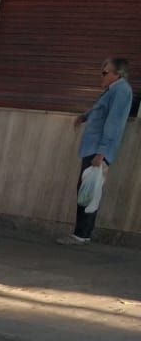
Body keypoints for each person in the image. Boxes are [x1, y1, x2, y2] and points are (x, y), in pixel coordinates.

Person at [61, 56, 132, 245]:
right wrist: (84, 117)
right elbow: (99, 110)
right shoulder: (111, 90)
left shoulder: (121, 91)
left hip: (98, 151)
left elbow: (114, 123)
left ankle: (80, 235)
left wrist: (101, 152)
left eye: (105, 72)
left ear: (117, 74)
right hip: (93, 149)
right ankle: (82, 234)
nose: (102, 75)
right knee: (86, 190)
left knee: (88, 191)